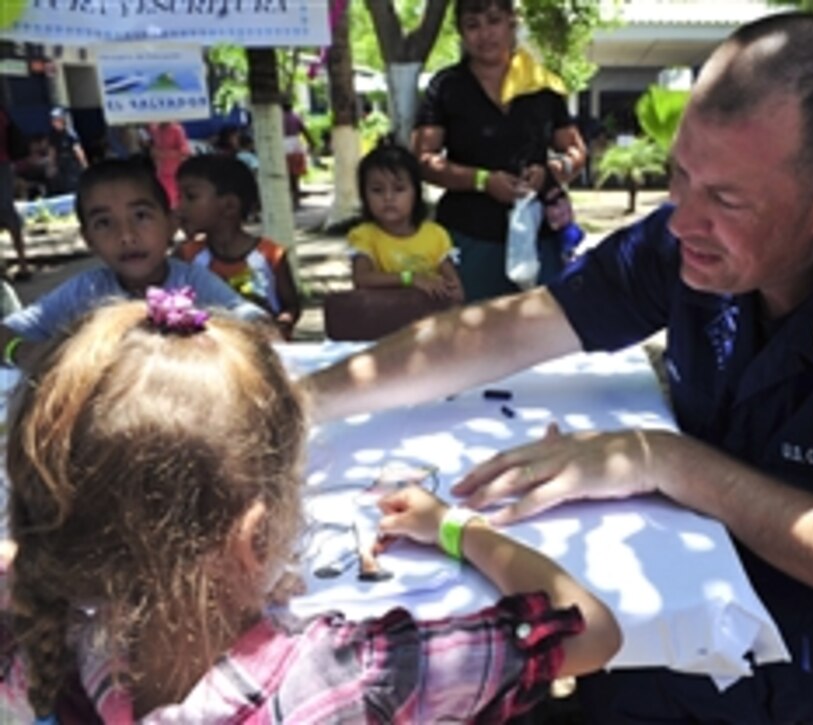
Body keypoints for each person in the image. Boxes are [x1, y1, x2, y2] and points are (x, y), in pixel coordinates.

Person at [304, 12, 813, 722]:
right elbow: (513, 327)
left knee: (593, 674)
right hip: (720, 537)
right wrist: (301, 401)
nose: (685, 221)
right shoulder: (691, 236)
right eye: (679, 178)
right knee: (506, 622)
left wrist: (662, 460)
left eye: (726, 198)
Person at [0, 294, 621, 722]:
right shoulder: (357, 675)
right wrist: (458, 528)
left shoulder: (50, 649)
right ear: (257, 532)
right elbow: (589, 629)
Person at [0, 158, 268, 369]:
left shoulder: (194, 282)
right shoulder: (85, 292)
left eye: (141, 216)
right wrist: (23, 353)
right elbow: (6, 333)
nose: (126, 236)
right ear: (88, 240)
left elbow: (255, 323)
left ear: (171, 224)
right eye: (104, 223)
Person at [412, 0, 587, 302]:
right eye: (473, 25)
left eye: (494, 21)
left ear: (511, 22)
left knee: (541, 333)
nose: (485, 34)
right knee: (470, 334)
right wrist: (480, 180)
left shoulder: (542, 85)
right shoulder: (447, 87)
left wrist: (555, 171)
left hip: (539, 235)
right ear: (462, 33)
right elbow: (422, 159)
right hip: (469, 236)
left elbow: (575, 149)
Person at [174, 154, 301, 338]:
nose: (180, 207)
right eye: (180, 197)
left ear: (229, 206)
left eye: (190, 197)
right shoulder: (185, 256)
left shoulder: (270, 254)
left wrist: (281, 325)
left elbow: (291, 305)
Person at [349, 140, 463, 306]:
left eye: (399, 189)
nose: (388, 198)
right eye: (377, 190)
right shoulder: (364, 236)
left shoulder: (436, 236)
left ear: (416, 193)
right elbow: (362, 278)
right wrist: (410, 279)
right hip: (382, 325)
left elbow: (456, 291)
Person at [0, 104, 31, 280]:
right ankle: (22, 263)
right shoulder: (3, 112)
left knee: (7, 212)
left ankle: (21, 265)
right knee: (8, 212)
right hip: (4, 165)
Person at [147, 120, 192, 208]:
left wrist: (165, 154)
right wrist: (153, 152)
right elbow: (153, 147)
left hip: (174, 172)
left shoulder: (176, 129)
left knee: (173, 200)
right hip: (160, 172)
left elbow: (185, 152)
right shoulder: (154, 129)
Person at [44, 107, 88, 195]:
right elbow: (52, 151)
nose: (55, 123)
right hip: (61, 164)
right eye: (53, 120)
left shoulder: (70, 134)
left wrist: (84, 165)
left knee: (73, 186)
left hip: (72, 164)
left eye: (57, 120)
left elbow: (78, 150)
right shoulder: (53, 135)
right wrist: (51, 165)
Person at [282, 99, 316, 209]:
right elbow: (305, 131)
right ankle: (296, 201)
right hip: (295, 146)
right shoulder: (296, 118)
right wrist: (312, 143)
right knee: (295, 177)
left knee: (286, 176)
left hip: (283, 146)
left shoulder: (279, 118)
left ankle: (290, 200)